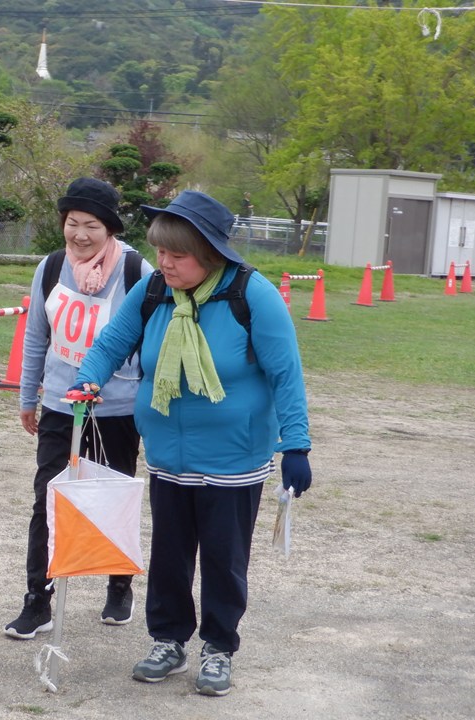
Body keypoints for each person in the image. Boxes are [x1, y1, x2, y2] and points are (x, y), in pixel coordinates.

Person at [74, 190, 312, 697]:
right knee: (169, 554)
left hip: (234, 457)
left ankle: (219, 647)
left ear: (210, 254)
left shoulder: (252, 295)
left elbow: (286, 373)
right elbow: (112, 342)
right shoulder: (155, 290)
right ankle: (168, 640)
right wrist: (87, 379)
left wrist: (297, 445)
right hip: (168, 454)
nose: (164, 263)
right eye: (160, 251)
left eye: (177, 255)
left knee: (224, 559)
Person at [4, 177, 153, 640]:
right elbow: (36, 337)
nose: (80, 235)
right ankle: (38, 599)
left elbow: (151, 342)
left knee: (113, 499)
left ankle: (119, 586)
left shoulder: (137, 271)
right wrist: (29, 397)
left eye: (92, 226)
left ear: (110, 229)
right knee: (47, 500)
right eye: (72, 223)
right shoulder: (51, 266)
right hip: (60, 405)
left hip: (117, 409)